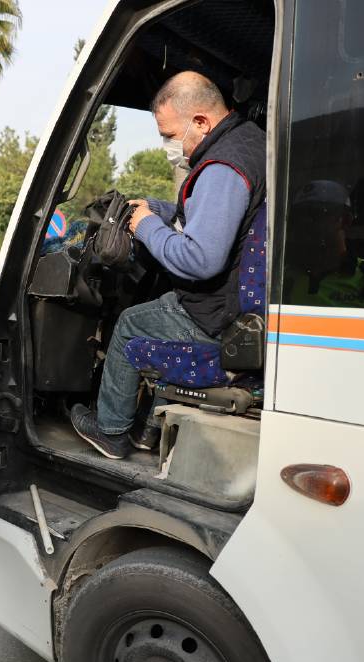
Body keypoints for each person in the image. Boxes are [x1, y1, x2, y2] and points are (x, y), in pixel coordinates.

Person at [72, 71, 267, 459]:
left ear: (201, 121)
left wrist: (145, 228)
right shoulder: (251, 141)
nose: (167, 145)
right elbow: (217, 218)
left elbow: (199, 260)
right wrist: (162, 211)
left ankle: (111, 431)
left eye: (169, 135)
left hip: (217, 317)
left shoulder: (221, 167)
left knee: (130, 323)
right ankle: (148, 429)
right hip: (246, 306)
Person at [284, 180, 364, 309]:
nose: (307, 223)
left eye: (318, 213)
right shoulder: (280, 277)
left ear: (346, 221)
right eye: (299, 216)